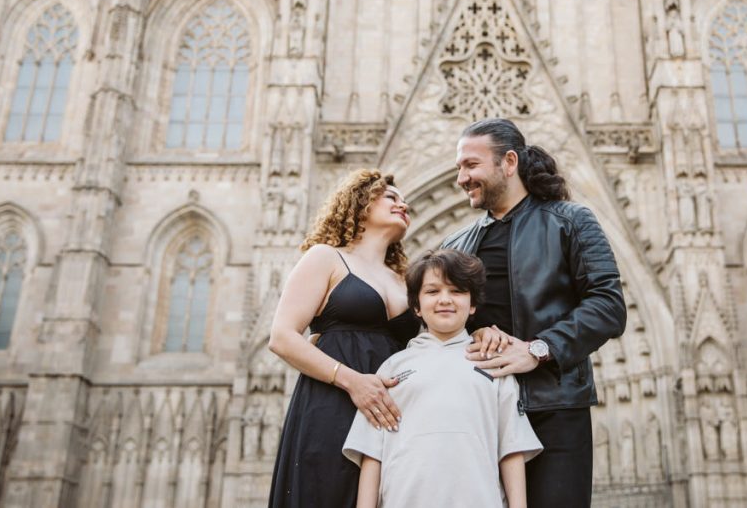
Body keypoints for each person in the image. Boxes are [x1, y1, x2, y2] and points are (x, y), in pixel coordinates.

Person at [443, 118, 628, 507]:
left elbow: (608, 305)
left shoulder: (571, 221)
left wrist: (538, 349)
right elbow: (442, 318)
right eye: (459, 167)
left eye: (470, 165)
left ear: (508, 162)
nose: (461, 178)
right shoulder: (457, 244)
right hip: (479, 411)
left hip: (554, 408)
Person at [267, 169, 421, 508]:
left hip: (389, 410)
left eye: (405, 200)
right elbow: (281, 337)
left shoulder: (404, 280)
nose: (403, 204)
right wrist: (353, 382)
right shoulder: (326, 257)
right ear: (361, 202)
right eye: (391, 197)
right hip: (334, 402)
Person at [343, 249, 542, 508]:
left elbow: (512, 448)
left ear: (472, 305)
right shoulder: (392, 367)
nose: (445, 299)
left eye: (457, 291)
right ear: (416, 306)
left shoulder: (493, 364)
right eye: (433, 291)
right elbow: (372, 454)